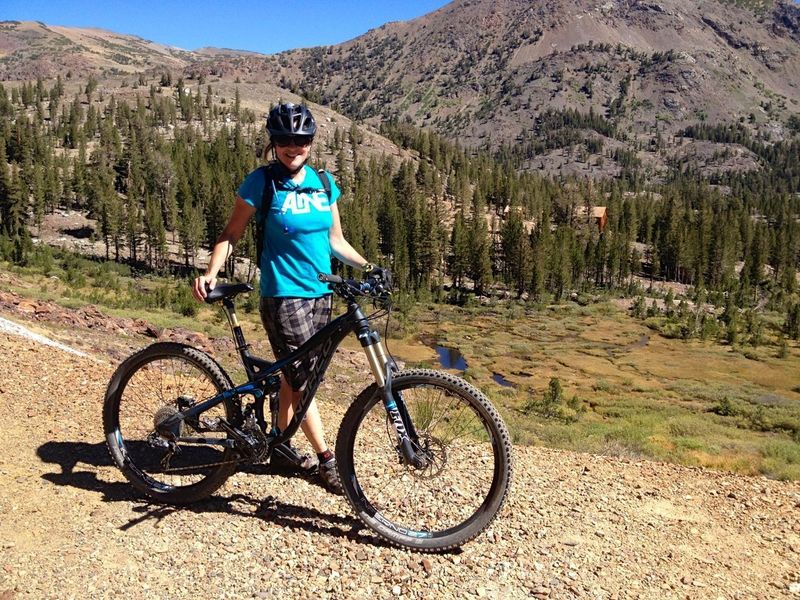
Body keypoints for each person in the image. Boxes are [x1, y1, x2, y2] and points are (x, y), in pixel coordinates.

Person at [192, 102, 378, 495]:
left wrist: (369, 268)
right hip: (283, 294)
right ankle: (328, 460)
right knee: (302, 378)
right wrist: (211, 272)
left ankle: (277, 445)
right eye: (284, 140)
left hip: (321, 294)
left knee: (297, 379)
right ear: (273, 143)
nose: (294, 147)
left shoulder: (324, 184)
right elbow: (231, 234)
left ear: (311, 141)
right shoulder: (262, 182)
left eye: (302, 140)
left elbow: (336, 241)